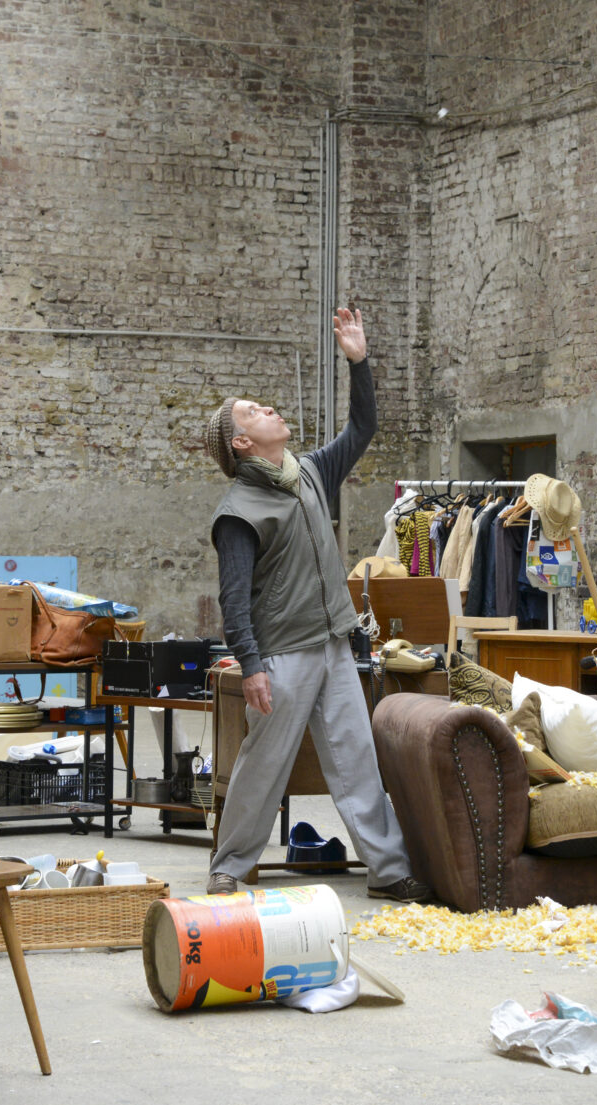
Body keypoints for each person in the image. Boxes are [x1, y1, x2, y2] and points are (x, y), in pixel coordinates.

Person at [200, 306, 430, 902]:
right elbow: (233, 598)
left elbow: (362, 429)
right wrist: (250, 666)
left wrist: (359, 362)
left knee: (357, 761)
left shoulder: (309, 473)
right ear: (243, 442)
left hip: (333, 642)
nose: (270, 408)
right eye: (255, 411)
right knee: (264, 763)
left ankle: (387, 869)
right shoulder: (238, 512)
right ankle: (228, 866)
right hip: (281, 656)